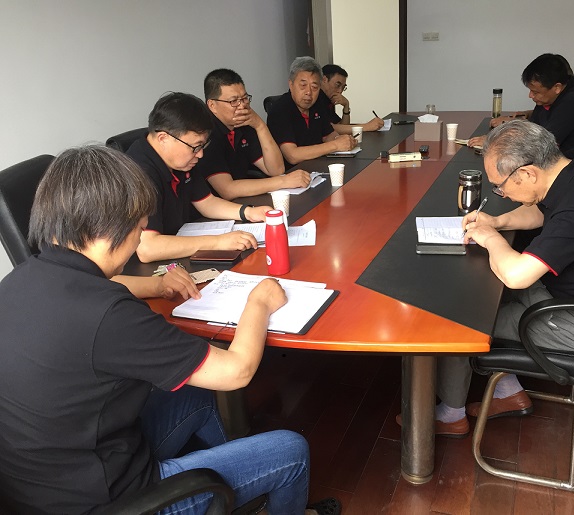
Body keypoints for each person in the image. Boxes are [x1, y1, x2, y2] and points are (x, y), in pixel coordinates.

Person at [0, 145, 341, 515]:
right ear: (111, 229)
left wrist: (156, 285)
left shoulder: (21, 278)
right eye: (139, 227)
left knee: (194, 393)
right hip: (111, 501)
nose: (140, 237)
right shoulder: (111, 315)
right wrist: (258, 301)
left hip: (43, 485)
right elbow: (235, 372)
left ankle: (230, 494)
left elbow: (104, 293)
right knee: (291, 451)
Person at [423, 121, 574, 437]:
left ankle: (451, 415)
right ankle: (506, 391)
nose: (502, 193)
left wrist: (490, 237)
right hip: (567, 293)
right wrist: (497, 221)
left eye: (500, 186)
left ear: (527, 174)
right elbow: (542, 212)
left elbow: (516, 276)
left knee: (461, 320)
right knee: (479, 294)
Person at [126, 92, 271, 263]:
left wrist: (249, 212)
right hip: (142, 268)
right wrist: (218, 242)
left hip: (179, 250)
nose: (200, 154)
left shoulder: (180, 160)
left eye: (203, 146)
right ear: (163, 138)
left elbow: (206, 202)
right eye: (195, 147)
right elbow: (148, 248)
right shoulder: (137, 172)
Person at [196, 68, 312, 200]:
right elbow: (227, 190)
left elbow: (276, 169)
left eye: (244, 98)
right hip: (217, 208)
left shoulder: (244, 124)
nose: (242, 106)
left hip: (245, 199)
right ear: (212, 105)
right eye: (233, 101)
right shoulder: (204, 134)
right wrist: (284, 181)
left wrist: (260, 125)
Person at [469, 54, 574, 160]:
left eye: (535, 92)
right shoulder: (549, 99)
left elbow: (541, 143)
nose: (530, 96)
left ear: (557, 87)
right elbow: (533, 128)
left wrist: (494, 141)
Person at [267, 57, 357, 167]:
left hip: (318, 166)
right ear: (291, 84)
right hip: (293, 172)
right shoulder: (280, 109)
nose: (309, 92)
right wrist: (335, 145)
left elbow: (329, 135)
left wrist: (343, 141)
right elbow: (292, 155)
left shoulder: (317, 104)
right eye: (303, 85)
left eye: (314, 87)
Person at [319, 64, 384, 134]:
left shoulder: (327, 100)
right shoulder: (317, 98)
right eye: (337, 85)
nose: (340, 91)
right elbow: (329, 128)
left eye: (343, 87)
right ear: (324, 79)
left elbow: (343, 127)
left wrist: (346, 106)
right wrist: (367, 126)